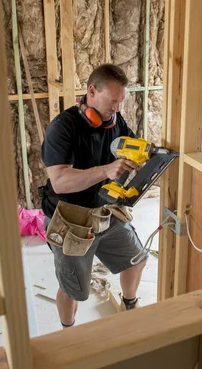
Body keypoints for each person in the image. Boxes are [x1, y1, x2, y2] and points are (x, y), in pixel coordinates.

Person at [40, 63, 148, 328]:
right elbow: (61, 182)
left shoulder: (115, 120)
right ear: (91, 91)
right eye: (112, 101)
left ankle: (129, 306)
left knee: (137, 259)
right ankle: (69, 332)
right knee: (73, 289)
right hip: (70, 221)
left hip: (105, 212)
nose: (117, 108)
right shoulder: (63, 127)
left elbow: (130, 144)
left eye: (120, 102)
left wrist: (144, 157)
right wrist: (106, 170)